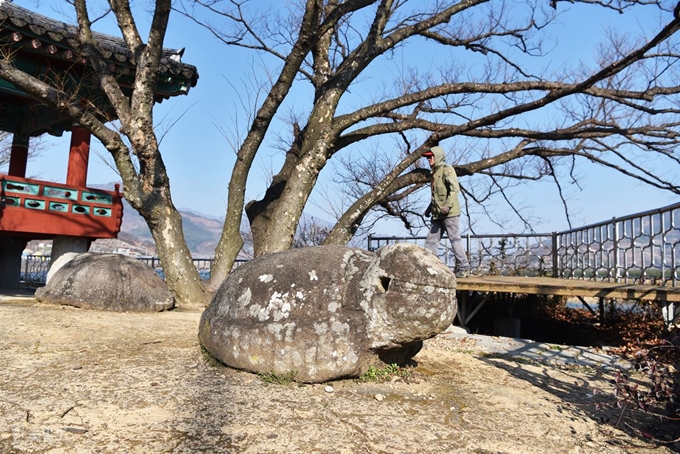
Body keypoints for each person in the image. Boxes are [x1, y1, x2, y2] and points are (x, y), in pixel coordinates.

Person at [422, 145, 471, 278]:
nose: (428, 160)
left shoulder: (447, 169)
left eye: (430, 157)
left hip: (449, 213)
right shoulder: (435, 173)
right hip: (437, 213)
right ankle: (428, 267)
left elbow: (455, 189)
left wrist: (448, 206)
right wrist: (428, 209)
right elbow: (436, 195)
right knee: (431, 241)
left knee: (454, 239)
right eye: (427, 158)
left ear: (437, 156)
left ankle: (464, 267)